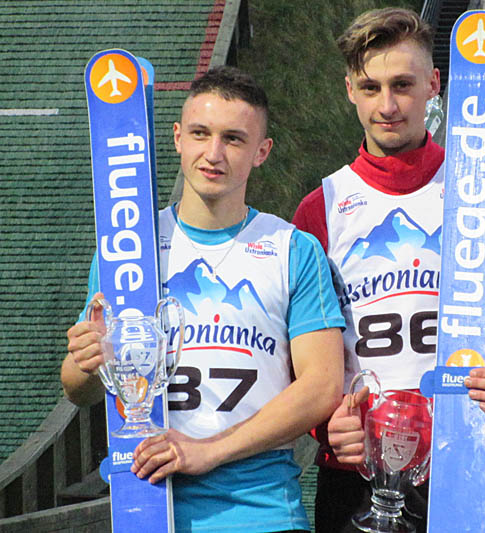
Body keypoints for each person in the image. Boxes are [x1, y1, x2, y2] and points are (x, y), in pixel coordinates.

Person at [61, 66, 345, 533]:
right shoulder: (128, 245)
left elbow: (322, 386)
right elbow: (79, 388)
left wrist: (209, 451)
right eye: (200, 133)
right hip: (148, 506)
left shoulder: (292, 248)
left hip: (261, 512)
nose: (213, 154)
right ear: (177, 137)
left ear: (261, 151)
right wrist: (87, 361)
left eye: (233, 139)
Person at [291, 7, 485, 533]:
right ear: (350, 90)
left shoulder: (481, 190)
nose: (387, 105)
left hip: (459, 460)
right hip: (356, 471)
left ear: (434, 84)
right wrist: (324, 426)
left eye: (402, 85)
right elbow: (299, 357)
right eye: (370, 87)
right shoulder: (319, 208)